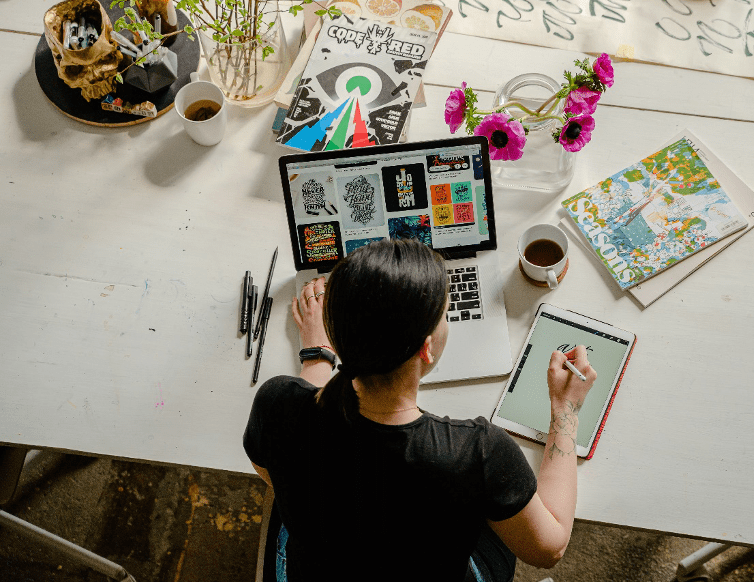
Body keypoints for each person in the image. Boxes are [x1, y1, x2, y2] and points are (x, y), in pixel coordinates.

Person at [243, 239, 597, 581]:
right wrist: (565, 409)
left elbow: (270, 469)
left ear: (338, 335)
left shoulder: (277, 403)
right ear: (426, 349)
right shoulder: (476, 452)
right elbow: (548, 550)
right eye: (445, 314)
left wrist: (316, 353)